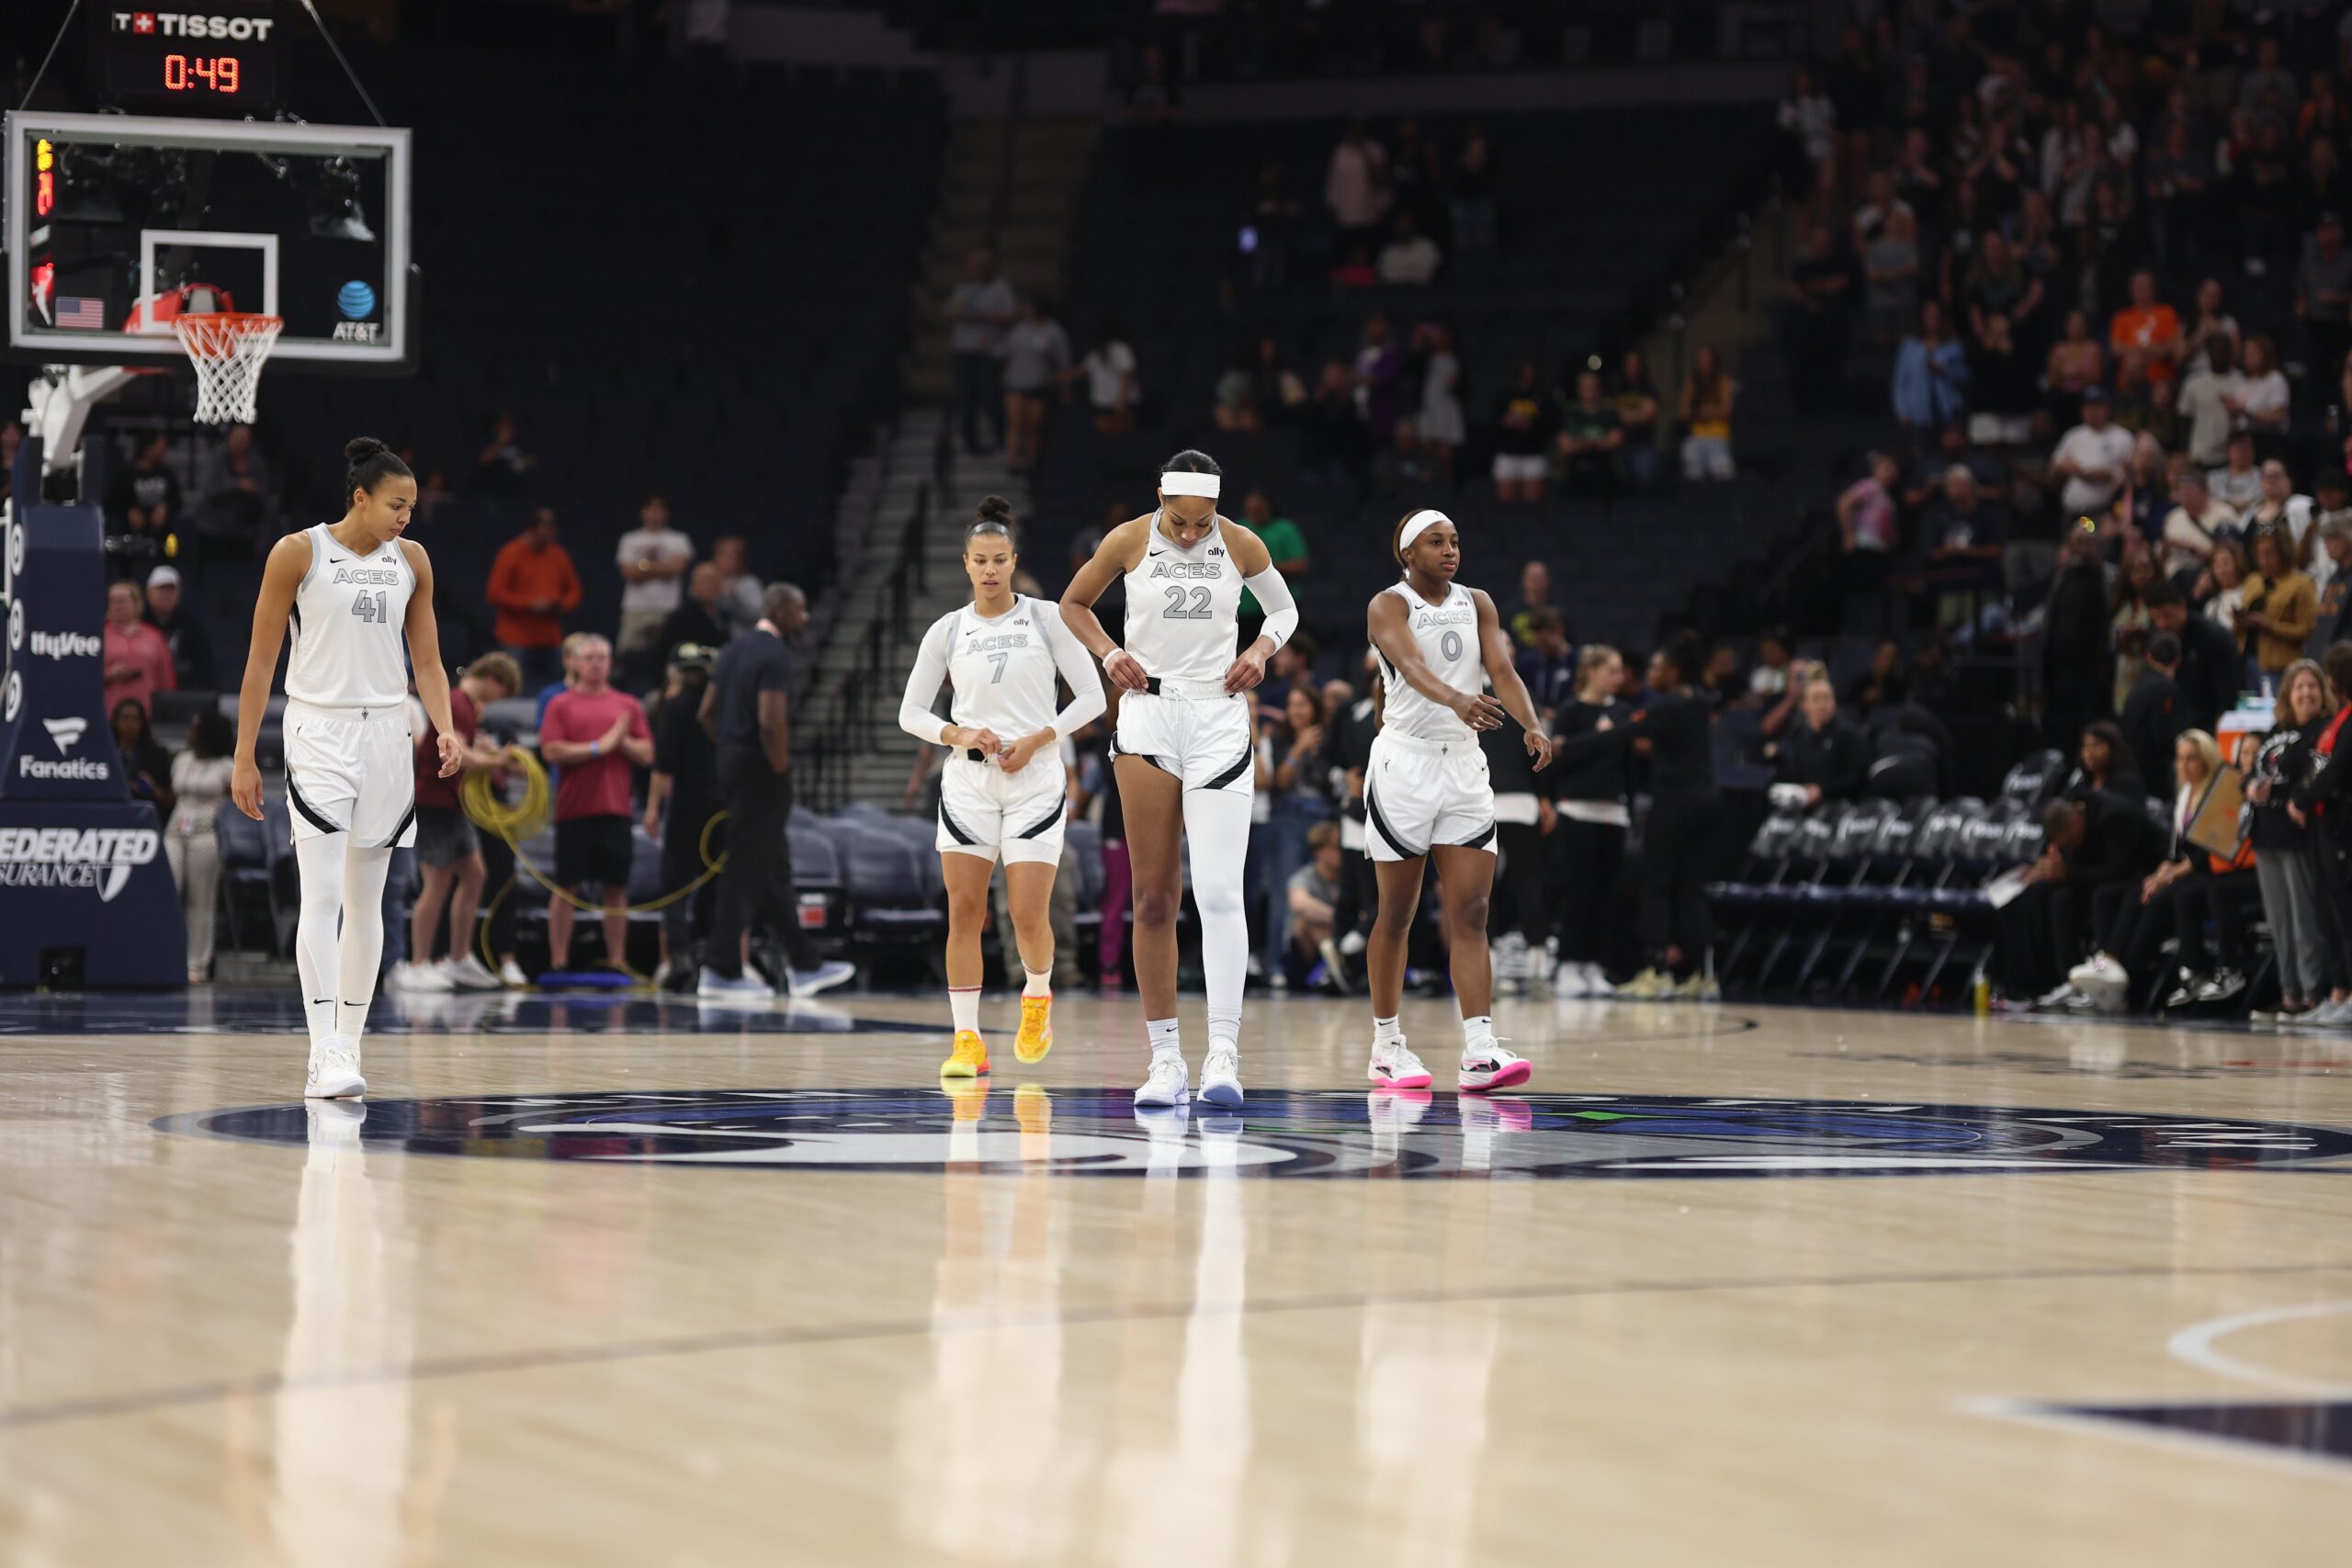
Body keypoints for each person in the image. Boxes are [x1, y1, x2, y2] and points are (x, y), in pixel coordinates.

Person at [1058, 450, 1301, 1111]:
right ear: (1158, 497)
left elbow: (1284, 614)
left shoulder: (1242, 542)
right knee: (1156, 896)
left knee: (1220, 891)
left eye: (1204, 521)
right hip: (1148, 716)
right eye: (1180, 521)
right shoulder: (1129, 538)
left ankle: (1224, 1051)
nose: (1193, 534)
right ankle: (1165, 1058)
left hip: (1219, 715)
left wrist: (1259, 651)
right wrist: (1108, 651)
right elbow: (1073, 604)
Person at [229, 439, 463, 1100]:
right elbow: (259, 662)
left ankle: (351, 1043)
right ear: (360, 496)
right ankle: (323, 1047)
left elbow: (430, 664)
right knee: (323, 893)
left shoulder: (412, 560)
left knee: (369, 900)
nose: (406, 518)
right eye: (396, 504)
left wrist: (445, 727)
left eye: (412, 508)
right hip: (318, 730)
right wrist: (244, 752)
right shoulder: (298, 553)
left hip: (389, 730)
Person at [897, 497, 1105, 1077]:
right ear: (965, 563)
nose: (989, 570)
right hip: (968, 782)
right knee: (964, 912)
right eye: (979, 560)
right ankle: (967, 1040)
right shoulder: (947, 630)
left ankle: (1037, 996)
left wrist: (1042, 737)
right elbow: (910, 713)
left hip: (1036, 781)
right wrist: (955, 730)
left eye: (999, 559)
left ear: (1014, 561)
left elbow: (1093, 697)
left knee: (1027, 916)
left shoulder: (1046, 618)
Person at [1359, 510, 1553, 1091]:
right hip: (1405, 763)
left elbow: (1502, 669)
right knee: (1397, 914)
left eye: (1455, 542)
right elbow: (1412, 666)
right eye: (1436, 542)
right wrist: (1458, 701)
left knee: (1471, 912)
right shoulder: (1387, 605)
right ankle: (1387, 1046)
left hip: (1464, 764)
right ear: (1407, 553)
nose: (1450, 551)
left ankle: (1478, 1049)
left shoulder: (1479, 602)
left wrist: (1532, 724)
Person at [697, 583, 857, 1000]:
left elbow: (706, 714)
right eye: (800, 611)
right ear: (782, 610)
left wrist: (732, 749)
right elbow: (772, 722)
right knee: (744, 868)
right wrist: (779, 768)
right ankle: (720, 967)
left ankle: (804, 964)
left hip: (731, 762)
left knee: (772, 867)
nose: (804, 619)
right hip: (761, 768)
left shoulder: (731, 650)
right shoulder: (775, 655)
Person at [390, 654, 519, 993]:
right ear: (493, 679)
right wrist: (497, 761)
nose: (500, 700)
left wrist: (489, 755)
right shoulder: (457, 702)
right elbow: (459, 753)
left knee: (475, 874)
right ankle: (418, 963)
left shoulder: (467, 708)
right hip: (435, 804)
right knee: (437, 883)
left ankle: (458, 957)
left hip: (454, 805)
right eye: (503, 692)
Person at [534, 635, 650, 976]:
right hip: (574, 810)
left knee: (615, 888)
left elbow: (647, 754)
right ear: (576, 663)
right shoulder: (561, 704)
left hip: (615, 810)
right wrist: (599, 747)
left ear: (611, 664)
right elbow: (551, 750)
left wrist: (620, 741)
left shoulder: (627, 705)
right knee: (566, 887)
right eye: (590, 657)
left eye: (602, 657)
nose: (596, 663)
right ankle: (558, 961)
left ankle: (616, 959)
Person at [2245, 660, 2336, 1021]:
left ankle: (2314, 994)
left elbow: (2312, 777)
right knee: (2279, 919)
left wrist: (2278, 789)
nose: (2306, 693)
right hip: (2265, 835)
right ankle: (2290, 994)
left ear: (2323, 693)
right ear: (2287, 695)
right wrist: (2250, 785)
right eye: (2299, 687)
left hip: (2298, 836)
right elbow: (2253, 770)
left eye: (2312, 687)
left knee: (2304, 918)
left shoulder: (2322, 730)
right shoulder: (2274, 730)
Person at [1546, 646, 1633, 998]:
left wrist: (1583, 745)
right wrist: (1601, 739)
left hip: (1613, 810)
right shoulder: (1571, 710)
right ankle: (1569, 963)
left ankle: (1594, 965)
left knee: (1606, 893)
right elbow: (1559, 758)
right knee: (1577, 890)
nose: (1619, 677)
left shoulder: (1623, 711)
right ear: (1592, 671)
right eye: (1612, 670)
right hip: (1577, 810)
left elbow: (1624, 761)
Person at [644, 647, 720, 990]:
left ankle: (681, 957)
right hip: (722, 807)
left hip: (687, 805)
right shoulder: (725, 706)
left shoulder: (673, 709)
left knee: (675, 885)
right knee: (716, 881)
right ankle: (711, 953)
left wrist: (652, 808)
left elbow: (664, 764)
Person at [165, 712, 235, 984]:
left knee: (200, 902)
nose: (189, 734)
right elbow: (172, 795)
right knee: (168, 892)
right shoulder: (181, 760)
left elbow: (238, 804)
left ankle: (197, 964)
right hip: (174, 831)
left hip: (206, 835)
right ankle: (165, 955)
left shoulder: (227, 766)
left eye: (195, 729)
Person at [485, 508, 582, 692]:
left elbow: (574, 591)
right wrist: (529, 604)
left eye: (551, 528)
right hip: (516, 638)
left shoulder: (558, 555)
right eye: (544, 528)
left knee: (555, 690)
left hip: (550, 638)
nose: (548, 533)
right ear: (532, 528)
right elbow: (495, 593)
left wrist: (561, 605)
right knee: (514, 688)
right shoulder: (511, 553)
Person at [614, 494, 694, 680]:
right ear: (643, 513)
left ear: (666, 514)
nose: (655, 514)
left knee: (666, 657)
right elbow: (628, 572)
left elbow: (678, 568)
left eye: (660, 509)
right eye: (651, 509)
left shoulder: (679, 539)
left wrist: (643, 566)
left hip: (667, 608)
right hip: (636, 608)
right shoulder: (630, 539)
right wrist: (663, 567)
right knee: (625, 655)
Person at [946, 246, 1016, 456]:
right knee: (966, 397)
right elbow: (950, 311)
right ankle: (971, 442)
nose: (974, 271)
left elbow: (1011, 317)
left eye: (978, 267)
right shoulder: (964, 289)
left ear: (988, 268)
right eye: (972, 267)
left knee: (990, 394)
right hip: (963, 350)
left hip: (988, 351)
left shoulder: (1000, 288)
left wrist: (984, 316)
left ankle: (1002, 438)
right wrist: (961, 314)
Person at [2237, 525, 2318, 687]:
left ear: (2284, 552)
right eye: (2260, 554)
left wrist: (2270, 626)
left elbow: (2308, 630)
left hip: (2282, 666)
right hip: (2248, 660)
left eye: (2269, 554)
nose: (2263, 560)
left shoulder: (2302, 584)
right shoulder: (2253, 581)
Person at [1001, 295, 1070, 474]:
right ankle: (1012, 461)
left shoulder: (1054, 332)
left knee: (1033, 427)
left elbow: (1063, 362)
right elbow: (1004, 351)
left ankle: (1031, 464)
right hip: (1016, 384)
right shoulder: (1018, 330)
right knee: (1015, 423)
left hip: (1038, 386)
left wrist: (1065, 389)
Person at [1777, 678, 1869, 805]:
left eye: (1826, 698)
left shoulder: (1849, 734)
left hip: (1841, 805)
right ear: (1803, 705)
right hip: (1805, 805)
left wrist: (1822, 791)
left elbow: (1858, 778)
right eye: (1816, 698)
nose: (1822, 704)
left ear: (1834, 703)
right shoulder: (1798, 736)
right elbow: (1795, 774)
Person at [103, 434, 181, 581]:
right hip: (129, 537)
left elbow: (177, 502)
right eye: (160, 446)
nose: (164, 450)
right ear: (147, 448)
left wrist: (166, 507)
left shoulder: (167, 473)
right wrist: (128, 510)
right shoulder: (126, 474)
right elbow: (110, 503)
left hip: (161, 537)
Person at [2049, 387, 2135, 519]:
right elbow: (2051, 476)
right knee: (2073, 538)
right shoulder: (2073, 436)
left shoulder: (2123, 437)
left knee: (2089, 535)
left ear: (2108, 408)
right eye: (2088, 406)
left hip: (2103, 513)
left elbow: (2133, 476)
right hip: (2072, 512)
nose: (2092, 411)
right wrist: (2063, 468)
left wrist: (2108, 474)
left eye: (2097, 406)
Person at [2121, 632, 2188, 802]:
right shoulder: (2166, 689)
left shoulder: (2140, 684)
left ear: (2149, 657)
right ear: (2178, 659)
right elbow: (2164, 734)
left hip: (2133, 765)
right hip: (2154, 772)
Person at [102, 580, 175, 717]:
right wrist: (109, 674)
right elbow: (86, 677)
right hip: (109, 712)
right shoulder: (99, 636)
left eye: (122, 601)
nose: (117, 606)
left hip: (147, 711)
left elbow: (166, 678)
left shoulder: (154, 637)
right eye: (113, 601)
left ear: (136, 603)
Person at [1285, 822, 1345, 982]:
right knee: (1307, 921)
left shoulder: (1350, 876)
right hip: (1306, 953)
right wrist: (1339, 918)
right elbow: (1299, 903)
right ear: (1317, 851)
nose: (1339, 852)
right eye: (1332, 847)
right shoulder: (1305, 876)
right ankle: (1327, 969)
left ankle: (1335, 970)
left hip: (1345, 941)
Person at [142, 565, 216, 692]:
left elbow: (205, 667)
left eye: (171, 590)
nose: (166, 595)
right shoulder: (138, 623)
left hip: (184, 694)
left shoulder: (192, 626)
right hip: (146, 691)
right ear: (148, 593)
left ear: (179, 593)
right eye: (161, 590)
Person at [1490, 360, 1555, 504]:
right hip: (1508, 452)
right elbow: (1493, 422)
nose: (1527, 375)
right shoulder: (1505, 395)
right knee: (1506, 507)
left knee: (1533, 506)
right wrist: (1506, 422)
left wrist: (1531, 426)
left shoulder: (1542, 396)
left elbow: (1550, 424)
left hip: (1533, 453)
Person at [1557, 369, 1625, 498]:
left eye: (1593, 386)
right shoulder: (1571, 414)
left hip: (1606, 474)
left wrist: (1583, 444)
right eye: (1586, 386)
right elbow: (1565, 445)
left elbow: (1616, 439)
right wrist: (1597, 443)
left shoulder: (1609, 413)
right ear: (1579, 389)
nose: (1590, 390)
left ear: (1599, 388)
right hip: (1576, 475)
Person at [1678, 346, 1739, 481]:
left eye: (1708, 360)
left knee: (1725, 475)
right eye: (1701, 360)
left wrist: (1699, 412)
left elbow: (1726, 411)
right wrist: (1712, 411)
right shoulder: (1692, 384)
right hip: (1696, 438)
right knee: (1690, 459)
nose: (1705, 364)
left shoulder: (1724, 382)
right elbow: (1684, 413)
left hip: (1719, 438)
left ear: (1714, 361)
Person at [112, 698, 173, 818]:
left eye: (135, 719)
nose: (130, 724)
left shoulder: (158, 754)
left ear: (142, 723)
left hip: (147, 814)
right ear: (115, 721)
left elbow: (168, 800)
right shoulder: (106, 753)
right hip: (113, 813)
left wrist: (151, 787)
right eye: (125, 718)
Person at [660, 562, 731, 661]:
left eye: (715, 581)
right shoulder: (679, 620)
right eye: (706, 581)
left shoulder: (727, 617)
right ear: (693, 585)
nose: (711, 586)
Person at [1081, 317, 1139, 436]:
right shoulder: (1096, 353)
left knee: (1121, 433)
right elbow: (1083, 369)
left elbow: (1127, 373)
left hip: (1121, 404)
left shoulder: (1121, 349)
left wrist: (1122, 400)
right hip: (1103, 404)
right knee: (1102, 429)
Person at [709, 536, 763, 640]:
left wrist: (735, 599)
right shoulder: (706, 579)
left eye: (734, 556)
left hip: (742, 639)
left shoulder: (749, 583)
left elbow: (757, 614)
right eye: (724, 555)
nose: (729, 560)